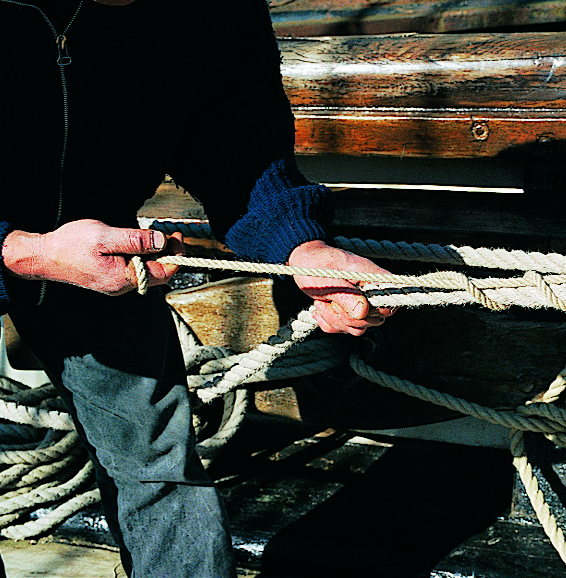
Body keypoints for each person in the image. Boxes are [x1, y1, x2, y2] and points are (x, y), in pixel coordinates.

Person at [0, 0, 394, 575]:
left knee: (159, 467)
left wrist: (300, 247)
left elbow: (239, 143)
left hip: (99, 244)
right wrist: (22, 251)